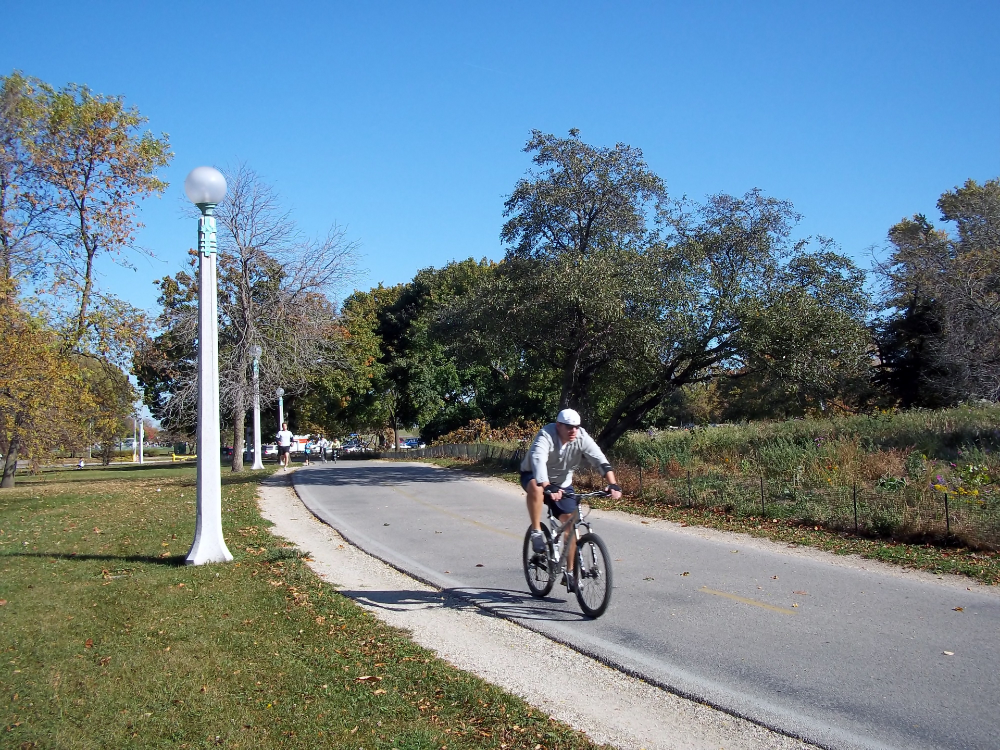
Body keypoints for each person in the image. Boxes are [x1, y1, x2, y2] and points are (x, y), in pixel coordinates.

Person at [520, 409, 622, 586]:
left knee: (571, 526)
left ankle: (569, 574)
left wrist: (612, 483)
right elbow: (538, 459)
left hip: (562, 484)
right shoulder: (546, 435)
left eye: (576, 427)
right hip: (535, 476)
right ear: (559, 425)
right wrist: (547, 485)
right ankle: (536, 532)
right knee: (535, 486)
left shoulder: (581, 437)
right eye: (569, 427)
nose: (573, 430)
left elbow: (599, 459)